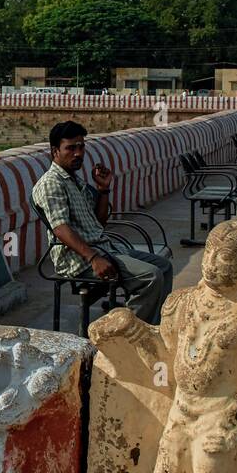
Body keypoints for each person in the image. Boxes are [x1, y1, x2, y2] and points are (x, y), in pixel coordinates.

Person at [31, 120, 173, 325]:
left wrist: (103, 189)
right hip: (78, 260)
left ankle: (150, 327)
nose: (78, 153)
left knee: (164, 267)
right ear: (55, 151)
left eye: (81, 147)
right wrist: (93, 258)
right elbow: (60, 228)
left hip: (104, 249)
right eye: (70, 148)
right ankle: (126, 336)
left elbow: (98, 222)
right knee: (151, 277)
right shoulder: (51, 183)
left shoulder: (76, 181)